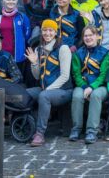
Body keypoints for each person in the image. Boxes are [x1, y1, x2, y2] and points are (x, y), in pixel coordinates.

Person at [25, 19, 73, 147]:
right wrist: (34, 63)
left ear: (56, 32)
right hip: (44, 89)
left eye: (50, 30)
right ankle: (27, 125)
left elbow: (65, 76)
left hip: (64, 91)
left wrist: (48, 90)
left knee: (43, 96)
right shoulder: (39, 49)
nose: (47, 33)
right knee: (25, 94)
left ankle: (40, 134)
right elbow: (36, 76)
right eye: (45, 30)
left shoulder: (63, 49)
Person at [70, 26, 109, 144]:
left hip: (100, 86)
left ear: (98, 36)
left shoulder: (105, 53)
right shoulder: (78, 53)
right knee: (77, 96)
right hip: (83, 85)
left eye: (91, 35)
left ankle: (91, 131)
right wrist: (84, 87)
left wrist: (92, 87)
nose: (88, 38)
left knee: (96, 95)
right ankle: (76, 129)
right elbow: (76, 74)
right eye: (86, 36)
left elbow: (104, 75)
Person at [0, 0, 31, 66]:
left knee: (18, 77)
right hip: (1, 55)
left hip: (18, 56)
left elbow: (27, 35)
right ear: (3, 1)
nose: (11, 1)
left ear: (17, 2)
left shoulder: (22, 17)